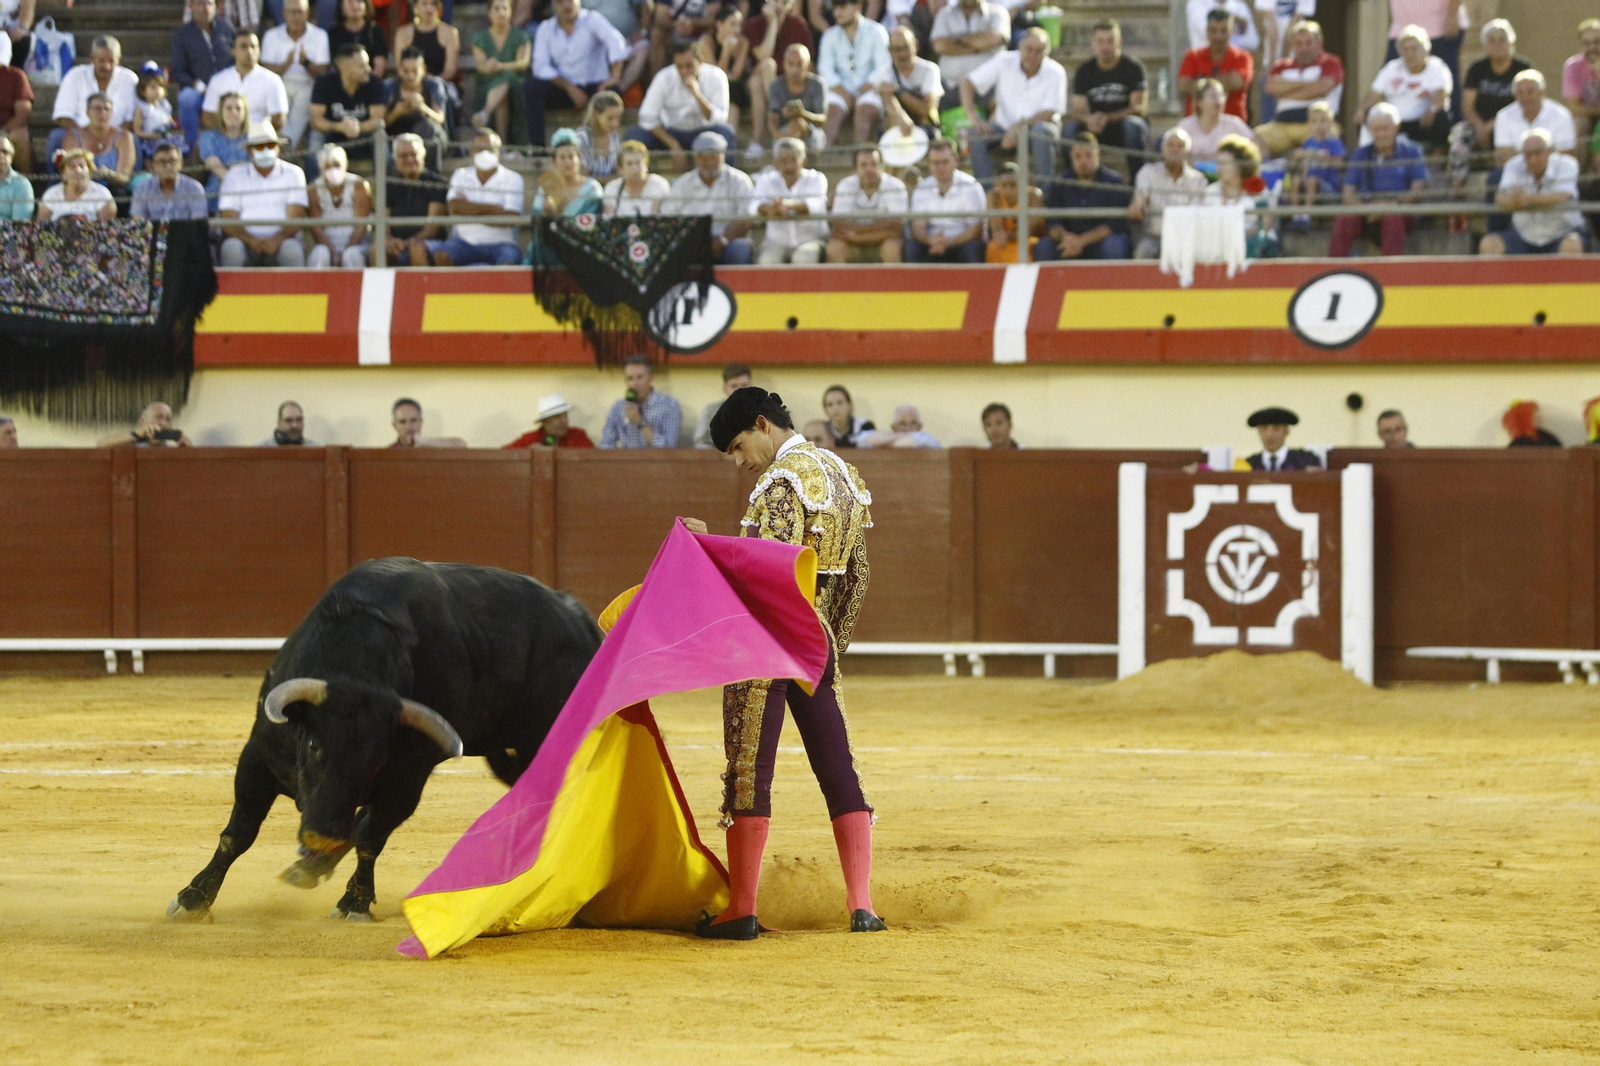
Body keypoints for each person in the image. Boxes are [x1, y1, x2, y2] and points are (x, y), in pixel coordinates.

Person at [682, 386, 883, 940]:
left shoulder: (781, 482)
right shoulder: (844, 476)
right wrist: (828, 647)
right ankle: (861, 906)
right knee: (839, 767)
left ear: (762, 425)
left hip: (763, 644)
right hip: (812, 641)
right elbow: (858, 578)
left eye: (740, 447)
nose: (741, 463)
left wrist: (706, 549)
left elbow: (762, 573)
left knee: (750, 772)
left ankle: (742, 908)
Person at [960, 27, 1063, 181]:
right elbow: (967, 83)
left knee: (1041, 132)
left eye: (1039, 51)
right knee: (975, 135)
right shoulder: (1004, 61)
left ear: (1046, 52)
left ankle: (1046, 196)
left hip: (1038, 129)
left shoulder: (1056, 71)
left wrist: (1019, 127)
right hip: (1003, 128)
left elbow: (1049, 113)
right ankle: (987, 195)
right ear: (1019, 47)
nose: (1032, 55)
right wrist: (975, 119)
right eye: (1028, 49)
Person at [1330, 103, 1426, 258]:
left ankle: (1390, 273)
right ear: (1369, 131)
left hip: (1399, 210)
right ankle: (1333, 270)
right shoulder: (1361, 153)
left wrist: (1389, 206)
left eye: (1385, 128)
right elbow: (1348, 193)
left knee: (1392, 219)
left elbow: (1418, 189)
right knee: (1344, 219)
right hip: (1366, 211)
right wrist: (1367, 209)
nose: (1380, 134)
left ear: (1396, 127)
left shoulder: (1412, 151)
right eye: (1376, 129)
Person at [527, 0, 626, 147]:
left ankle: (608, 145)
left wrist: (614, 76)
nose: (566, 5)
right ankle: (537, 147)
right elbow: (540, 66)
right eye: (561, 2)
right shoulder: (545, 28)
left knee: (612, 92)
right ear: (553, 4)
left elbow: (615, 41)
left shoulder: (593, 19)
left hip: (595, 88)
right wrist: (569, 87)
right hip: (564, 89)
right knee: (531, 86)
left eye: (570, 1)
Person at [1479, 129, 1586, 257]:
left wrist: (1527, 200)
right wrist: (1517, 200)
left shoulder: (1567, 164)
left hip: (1561, 233)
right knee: (1489, 244)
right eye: (1528, 154)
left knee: (1572, 245)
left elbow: (1564, 196)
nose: (1533, 159)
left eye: (1538, 153)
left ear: (1550, 151)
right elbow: (1500, 198)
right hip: (1525, 236)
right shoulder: (1514, 165)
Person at [218, 120, 309, 267]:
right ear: (250, 151)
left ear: (278, 148)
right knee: (231, 248)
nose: (266, 151)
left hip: (283, 241)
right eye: (260, 147)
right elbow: (228, 219)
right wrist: (251, 240)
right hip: (244, 242)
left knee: (292, 250)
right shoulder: (234, 175)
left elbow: (296, 217)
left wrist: (277, 240)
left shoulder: (294, 173)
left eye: (271, 146)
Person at [628, 39, 735, 157]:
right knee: (634, 134)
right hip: (672, 132)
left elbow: (719, 119)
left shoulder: (716, 76)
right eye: (679, 66)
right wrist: (673, 144)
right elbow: (647, 117)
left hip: (704, 132)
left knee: (725, 133)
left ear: (700, 61)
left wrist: (697, 94)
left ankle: (724, 174)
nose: (684, 71)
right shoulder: (664, 78)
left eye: (689, 66)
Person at [1254, 19, 1343, 158]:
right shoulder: (1281, 65)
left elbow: (1321, 88)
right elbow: (1270, 87)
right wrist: (1306, 83)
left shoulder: (1330, 62)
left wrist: (1285, 91)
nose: (1303, 48)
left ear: (1320, 43)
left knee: (1323, 142)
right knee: (1254, 140)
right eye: (1298, 44)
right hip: (1282, 125)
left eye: (1308, 43)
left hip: (1317, 126)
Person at [1036, 131, 1131, 261]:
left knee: (1115, 245)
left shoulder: (1114, 182)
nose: (1083, 161)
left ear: (1098, 155)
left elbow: (1115, 224)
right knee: (1044, 247)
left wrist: (1081, 241)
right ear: (1071, 157)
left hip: (1100, 242)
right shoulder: (1059, 182)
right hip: (1067, 242)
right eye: (1078, 156)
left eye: (1088, 155)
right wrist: (1065, 238)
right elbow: (1053, 223)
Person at [664, 130, 755, 264]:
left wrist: (722, 240)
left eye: (713, 156)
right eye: (702, 156)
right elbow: (670, 218)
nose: (708, 161)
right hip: (694, 242)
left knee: (739, 250)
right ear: (695, 158)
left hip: (730, 241)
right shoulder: (683, 184)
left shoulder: (739, 180)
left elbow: (746, 218)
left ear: (723, 155)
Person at [1357, 23, 1451, 151]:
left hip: (1423, 122)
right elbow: (1374, 94)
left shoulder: (1436, 67)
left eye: (1414, 49)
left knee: (1441, 117)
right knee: (1367, 116)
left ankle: (1437, 160)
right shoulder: (1391, 68)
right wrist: (1362, 110)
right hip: (1395, 123)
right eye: (1405, 50)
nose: (1409, 53)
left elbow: (1442, 93)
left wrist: (1432, 109)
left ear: (1426, 49)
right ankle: (1368, 157)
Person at [50, 37, 139, 171]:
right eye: (101, 60)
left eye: (111, 61)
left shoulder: (129, 79)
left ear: (118, 60)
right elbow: (63, 117)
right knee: (56, 137)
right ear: (92, 58)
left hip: (116, 139)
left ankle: (131, 186)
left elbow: (131, 119)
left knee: (132, 139)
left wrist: (110, 137)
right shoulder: (74, 76)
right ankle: (57, 186)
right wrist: (86, 135)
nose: (106, 66)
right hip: (79, 136)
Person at [438, 128, 524, 266]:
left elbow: (509, 218)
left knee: (508, 263)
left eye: (489, 149)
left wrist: (469, 209)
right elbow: (454, 207)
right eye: (479, 149)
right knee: (441, 256)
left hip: (501, 244)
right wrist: (494, 209)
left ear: (499, 151)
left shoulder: (513, 178)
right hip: (463, 243)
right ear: (471, 151)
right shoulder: (460, 175)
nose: (484, 153)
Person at [1066, 18, 1148, 156]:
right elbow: (1078, 109)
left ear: (1119, 41)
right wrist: (1090, 120)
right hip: (1093, 129)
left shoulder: (1133, 68)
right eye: (1100, 41)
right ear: (1093, 43)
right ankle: (1070, 177)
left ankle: (1136, 176)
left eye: (1110, 41)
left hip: (1122, 127)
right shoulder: (1084, 71)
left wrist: (1108, 117)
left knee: (1134, 125)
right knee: (1070, 129)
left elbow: (1139, 108)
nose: (1105, 46)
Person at [743, 0, 813, 158]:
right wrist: (773, 22)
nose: (780, 4)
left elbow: (808, 63)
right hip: (763, 77)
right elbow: (763, 55)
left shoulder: (798, 24)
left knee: (757, 83)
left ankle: (758, 141)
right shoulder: (754, 24)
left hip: (790, 82)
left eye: (785, 1)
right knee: (767, 66)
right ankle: (781, 118)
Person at [818, 0, 889, 147]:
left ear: (858, 7)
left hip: (871, 88)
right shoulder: (829, 35)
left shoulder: (876, 31)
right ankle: (828, 159)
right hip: (839, 89)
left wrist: (863, 90)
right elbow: (825, 69)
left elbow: (884, 67)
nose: (837, 13)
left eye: (842, 7)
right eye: (835, 8)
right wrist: (844, 93)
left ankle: (860, 156)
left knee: (864, 113)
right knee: (830, 115)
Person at [261, 0, 331, 150]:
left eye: (300, 12)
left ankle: (285, 143)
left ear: (308, 13)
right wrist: (285, 64)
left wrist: (306, 63)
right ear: (284, 14)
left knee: (306, 98)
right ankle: (287, 143)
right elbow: (265, 71)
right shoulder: (271, 35)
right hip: (280, 83)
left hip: (308, 84)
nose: (296, 16)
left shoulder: (320, 35)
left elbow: (323, 72)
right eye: (292, 12)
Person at [1128, 127, 1207, 259]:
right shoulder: (1148, 172)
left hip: (1184, 238)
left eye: (1180, 146)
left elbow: (1195, 213)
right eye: (1170, 145)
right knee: (1143, 251)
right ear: (1162, 148)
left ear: (1187, 152)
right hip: (1154, 237)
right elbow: (1141, 196)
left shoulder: (1198, 180)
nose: (1174, 149)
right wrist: (1138, 204)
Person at [529, 127, 603, 262]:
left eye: (571, 157)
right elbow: (538, 225)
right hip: (553, 244)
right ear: (554, 161)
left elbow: (593, 224)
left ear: (579, 160)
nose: (567, 162)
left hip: (582, 245)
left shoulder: (592, 188)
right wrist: (547, 212)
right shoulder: (546, 187)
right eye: (562, 157)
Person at [905, 136, 984, 263]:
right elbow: (917, 227)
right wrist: (931, 240)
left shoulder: (971, 187)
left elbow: (976, 230)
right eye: (935, 163)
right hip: (931, 242)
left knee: (972, 249)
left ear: (956, 161)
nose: (940, 167)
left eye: (945, 162)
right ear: (929, 164)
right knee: (912, 248)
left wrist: (949, 242)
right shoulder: (921, 189)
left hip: (961, 243)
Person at [171, 0, 236, 154]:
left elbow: (236, 59)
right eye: (200, 3)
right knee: (186, 98)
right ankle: (193, 147)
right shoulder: (182, 34)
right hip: (199, 90)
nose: (205, 8)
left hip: (228, 88)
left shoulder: (226, 28)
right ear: (191, 6)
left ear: (216, 7)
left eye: (209, 3)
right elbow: (177, 70)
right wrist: (201, 87)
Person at [752, 136, 828, 264]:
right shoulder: (766, 179)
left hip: (811, 239)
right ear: (775, 163)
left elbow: (817, 205)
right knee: (767, 261)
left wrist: (789, 206)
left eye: (794, 160)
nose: (789, 167)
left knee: (803, 258)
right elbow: (753, 207)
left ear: (804, 161)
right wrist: (770, 208)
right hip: (776, 242)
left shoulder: (817, 178)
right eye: (783, 161)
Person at [827, 143, 906, 263]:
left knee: (892, 247)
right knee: (835, 248)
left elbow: (896, 228)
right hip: (853, 244)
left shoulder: (895, 186)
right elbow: (839, 226)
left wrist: (857, 236)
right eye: (864, 165)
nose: (869, 169)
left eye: (874, 164)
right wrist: (882, 228)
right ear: (855, 169)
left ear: (882, 166)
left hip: (882, 243)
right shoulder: (845, 185)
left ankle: (893, 282)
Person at [1384, 0, 1462, 121]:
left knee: (1448, 90)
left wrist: (1452, 14)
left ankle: (1455, 131)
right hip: (1401, 28)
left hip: (1440, 28)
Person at [1460, 19, 1529, 154]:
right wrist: (1479, 126)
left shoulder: (1523, 69)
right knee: (1460, 134)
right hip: (1479, 123)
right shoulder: (1477, 68)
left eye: (1502, 40)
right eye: (1492, 41)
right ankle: (1458, 175)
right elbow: (1467, 105)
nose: (1498, 45)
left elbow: (1527, 103)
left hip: (1513, 122)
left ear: (1511, 42)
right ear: (1485, 45)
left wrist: (1494, 124)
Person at [202, 31, 289, 138]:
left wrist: (256, 134)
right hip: (226, 138)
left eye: (253, 46)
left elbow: (279, 120)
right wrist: (230, 135)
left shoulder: (273, 80)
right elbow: (209, 117)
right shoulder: (218, 80)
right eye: (244, 46)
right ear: (233, 51)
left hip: (259, 140)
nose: (249, 51)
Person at [310, 43, 386, 164]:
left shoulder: (374, 83)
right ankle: (314, 182)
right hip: (332, 135)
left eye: (368, 64)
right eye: (362, 66)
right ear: (345, 68)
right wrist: (339, 127)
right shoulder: (324, 82)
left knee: (381, 140)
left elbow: (378, 121)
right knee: (315, 138)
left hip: (364, 136)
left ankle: (385, 183)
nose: (369, 69)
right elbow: (316, 121)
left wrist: (358, 127)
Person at [1205, 133, 1277, 258]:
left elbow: (1266, 223)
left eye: (1225, 163)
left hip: (1253, 246)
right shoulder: (1211, 191)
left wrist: (1239, 236)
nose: (1219, 168)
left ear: (1240, 166)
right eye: (1218, 163)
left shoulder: (1257, 189)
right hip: (1218, 247)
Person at [1177, 8, 1253, 123]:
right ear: (1207, 30)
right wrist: (1224, 81)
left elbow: (1236, 82)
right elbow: (1183, 86)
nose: (1218, 36)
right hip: (1196, 127)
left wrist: (1200, 82)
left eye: (1224, 31)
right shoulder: (1192, 56)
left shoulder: (1243, 57)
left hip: (1232, 128)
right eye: (1214, 31)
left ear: (1232, 31)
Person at [471, 0, 531, 142]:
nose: (501, 12)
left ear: (510, 12)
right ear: (489, 13)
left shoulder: (521, 36)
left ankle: (485, 112)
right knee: (501, 91)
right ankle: (502, 143)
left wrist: (499, 66)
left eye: (504, 8)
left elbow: (523, 63)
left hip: (516, 85)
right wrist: (488, 66)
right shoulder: (479, 38)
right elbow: (480, 65)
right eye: (496, 9)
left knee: (507, 80)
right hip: (488, 84)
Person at [384, 131, 447, 264]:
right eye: (403, 156)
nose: (409, 159)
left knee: (416, 248)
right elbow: (384, 224)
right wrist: (389, 240)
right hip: (397, 244)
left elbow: (431, 229)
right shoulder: (390, 185)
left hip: (427, 243)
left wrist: (406, 244)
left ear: (423, 156)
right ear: (395, 160)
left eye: (414, 154)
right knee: (377, 249)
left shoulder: (436, 183)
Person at [306, 142, 372, 267]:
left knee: (351, 255)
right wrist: (333, 252)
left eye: (336, 165)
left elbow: (361, 226)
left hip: (357, 244)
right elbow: (317, 228)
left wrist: (346, 250)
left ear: (344, 165)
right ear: (321, 168)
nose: (333, 170)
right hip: (327, 244)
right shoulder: (314, 189)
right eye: (328, 166)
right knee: (320, 254)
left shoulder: (359, 185)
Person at [384, 46, 450, 168]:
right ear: (399, 70)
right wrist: (396, 112)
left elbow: (440, 118)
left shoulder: (433, 85)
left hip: (430, 137)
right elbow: (381, 123)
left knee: (428, 128)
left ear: (423, 69)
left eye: (415, 71)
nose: (410, 76)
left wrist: (423, 108)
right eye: (406, 71)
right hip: (398, 137)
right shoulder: (390, 87)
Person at [1493, 71, 1576, 167]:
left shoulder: (1562, 115)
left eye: (1530, 92)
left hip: (1554, 172)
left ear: (1541, 92)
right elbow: (1503, 156)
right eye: (1520, 93)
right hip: (1516, 172)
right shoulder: (1503, 116)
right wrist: (1536, 161)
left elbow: (1565, 154)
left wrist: (1533, 163)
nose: (1525, 98)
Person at [1176, 77, 1259, 170]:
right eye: (1213, 96)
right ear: (1200, 102)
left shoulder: (1234, 123)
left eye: (1221, 95)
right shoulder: (1185, 126)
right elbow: (1175, 154)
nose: (1218, 101)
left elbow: (1256, 147)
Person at [61, 93, 134, 199]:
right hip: (81, 189)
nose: (102, 113)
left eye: (107, 109)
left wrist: (108, 174)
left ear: (112, 113)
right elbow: (68, 172)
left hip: (113, 188)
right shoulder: (72, 136)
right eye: (97, 109)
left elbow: (124, 177)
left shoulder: (124, 136)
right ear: (87, 112)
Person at [929, 0, 1008, 97]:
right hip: (950, 87)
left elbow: (994, 39)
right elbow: (939, 46)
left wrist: (956, 40)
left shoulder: (998, 12)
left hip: (990, 88)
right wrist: (977, 47)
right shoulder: (944, 13)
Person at [1283, 101, 1342, 228]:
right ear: (1309, 124)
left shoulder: (1334, 142)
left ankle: (1307, 215)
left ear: (1331, 123)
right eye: (1314, 121)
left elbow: (1340, 163)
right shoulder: (1308, 142)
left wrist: (1324, 158)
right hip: (1308, 179)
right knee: (1296, 180)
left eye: (1323, 121)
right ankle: (1295, 214)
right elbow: (1302, 162)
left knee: (1312, 180)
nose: (1318, 125)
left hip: (1328, 185)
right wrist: (1298, 156)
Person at [601, 355, 682, 448]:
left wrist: (640, 422)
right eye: (630, 378)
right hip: (626, 460)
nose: (635, 383)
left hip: (657, 461)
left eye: (639, 377)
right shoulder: (618, 406)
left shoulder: (669, 405)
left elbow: (669, 448)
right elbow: (606, 444)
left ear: (650, 379)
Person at [876, 25, 940, 141]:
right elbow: (885, 98)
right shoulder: (883, 73)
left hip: (925, 128)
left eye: (906, 47)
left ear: (915, 45)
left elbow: (925, 109)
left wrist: (898, 91)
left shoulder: (930, 70)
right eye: (897, 49)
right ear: (889, 50)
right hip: (896, 128)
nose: (902, 54)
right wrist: (901, 117)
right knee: (887, 97)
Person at [695, 4, 749, 138]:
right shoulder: (706, 42)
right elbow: (713, 76)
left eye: (739, 25)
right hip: (709, 89)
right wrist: (725, 52)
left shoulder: (743, 42)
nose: (737, 30)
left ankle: (730, 136)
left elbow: (736, 75)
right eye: (733, 25)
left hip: (736, 88)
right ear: (719, 24)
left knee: (734, 89)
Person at [767, 42, 826, 150]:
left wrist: (802, 114)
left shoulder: (818, 84)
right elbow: (772, 118)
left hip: (812, 133)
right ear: (784, 64)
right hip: (784, 131)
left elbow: (822, 119)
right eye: (791, 64)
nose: (795, 69)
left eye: (799, 64)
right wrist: (779, 137)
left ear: (808, 66)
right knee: (793, 126)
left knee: (798, 124)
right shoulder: (776, 85)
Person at [391, 0, 459, 93]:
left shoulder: (450, 33)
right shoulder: (402, 33)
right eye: (424, 4)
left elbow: (450, 70)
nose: (429, 9)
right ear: (415, 7)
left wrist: (431, 82)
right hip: (409, 83)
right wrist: (415, 82)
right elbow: (400, 67)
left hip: (440, 84)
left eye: (433, 4)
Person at [131, 141, 208, 219]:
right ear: (154, 165)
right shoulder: (142, 188)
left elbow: (198, 221)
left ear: (181, 164)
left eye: (172, 161)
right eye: (162, 162)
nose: (168, 166)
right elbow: (138, 220)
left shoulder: (194, 188)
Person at [198, 91, 250, 207]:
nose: (234, 112)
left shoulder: (252, 138)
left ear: (245, 113)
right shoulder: (209, 137)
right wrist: (234, 181)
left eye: (238, 108)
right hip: (215, 198)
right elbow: (213, 164)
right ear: (221, 112)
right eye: (228, 108)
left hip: (248, 198)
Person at [36, 148, 116, 220]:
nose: (78, 170)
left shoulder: (102, 194)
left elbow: (106, 229)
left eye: (81, 166)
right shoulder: (51, 194)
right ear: (63, 172)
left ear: (89, 170)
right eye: (72, 166)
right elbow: (42, 226)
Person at [984, 162, 1041, 263]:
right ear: (997, 185)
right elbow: (997, 230)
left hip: (1028, 240)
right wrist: (1002, 236)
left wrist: (1008, 236)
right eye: (1004, 186)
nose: (1008, 191)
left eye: (1013, 185)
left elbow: (1028, 231)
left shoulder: (1034, 196)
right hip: (1006, 241)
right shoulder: (993, 197)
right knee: (993, 247)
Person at [1563, 19, 1600, 168]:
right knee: (1580, 122)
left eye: (1597, 42)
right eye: (1586, 43)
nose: (1592, 47)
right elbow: (1574, 107)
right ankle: (1581, 178)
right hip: (1588, 118)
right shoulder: (1573, 67)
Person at [602, 137, 669, 215]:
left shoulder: (659, 185)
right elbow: (609, 221)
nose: (635, 168)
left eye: (638, 162)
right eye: (629, 164)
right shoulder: (612, 189)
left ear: (646, 164)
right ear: (620, 169)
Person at [692, 363, 752, 447]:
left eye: (744, 385)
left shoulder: (765, 411)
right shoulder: (710, 411)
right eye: (734, 386)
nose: (739, 390)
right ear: (725, 388)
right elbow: (700, 442)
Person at [132, 66, 181, 167]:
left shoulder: (165, 106)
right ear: (143, 91)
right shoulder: (142, 108)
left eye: (160, 87)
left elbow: (169, 121)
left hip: (164, 138)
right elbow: (137, 130)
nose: (157, 90)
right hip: (149, 140)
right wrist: (152, 136)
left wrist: (170, 125)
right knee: (150, 157)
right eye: (153, 87)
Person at [504, 393, 596, 447]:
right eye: (557, 417)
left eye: (565, 416)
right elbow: (503, 456)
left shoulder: (577, 436)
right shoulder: (530, 440)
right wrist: (528, 453)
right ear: (544, 422)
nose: (564, 421)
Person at [1243, 406, 1319, 470]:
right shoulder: (1248, 465)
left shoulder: (1305, 460)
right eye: (1264, 428)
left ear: (1287, 431)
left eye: (1276, 428)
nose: (1270, 435)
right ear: (1259, 431)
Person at [329, 0, 391, 80]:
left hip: (370, 84)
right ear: (341, 6)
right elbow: (336, 65)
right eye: (350, 2)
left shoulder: (375, 31)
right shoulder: (334, 33)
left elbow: (379, 66)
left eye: (359, 1)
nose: (355, 6)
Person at [574, 89, 624, 180]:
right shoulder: (582, 137)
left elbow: (618, 170)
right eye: (610, 118)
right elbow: (582, 176)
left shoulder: (614, 137)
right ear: (597, 114)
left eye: (618, 118)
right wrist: (612, 179)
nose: (615, 124)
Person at [97, 402, 194, 447]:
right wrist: (138, 434)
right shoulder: (133, 445)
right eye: (158, 417)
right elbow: (101, 445)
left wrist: (187, 450)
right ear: (142, 420)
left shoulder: (173, 449)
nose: (163, 423)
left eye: (168, 419)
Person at [0, 46, 31, 178]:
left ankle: (25, 184)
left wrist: (3, 131)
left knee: (20, 134)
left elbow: (23, 114)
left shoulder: (16, 75)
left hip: (9, 130)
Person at [389, 397, 467, 447]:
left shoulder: (431, 446)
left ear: (421, 422)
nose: (408, 426)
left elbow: (461, 445)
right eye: (402, 422)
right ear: (394, 425)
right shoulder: (387, 453)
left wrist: (425, 441)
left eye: (413, 421)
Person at [860, 405, 939, 447]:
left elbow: (915, 442)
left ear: (920, 427)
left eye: (913, 423)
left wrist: (883, 443)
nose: (908, 428)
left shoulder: (928, 438)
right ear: (893, 427)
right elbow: (863, 439)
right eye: (902, 424)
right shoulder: (890, 437)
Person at [0, 131, 33, 220]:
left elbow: (19, 226)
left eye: (5, 152)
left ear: (12, 157)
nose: (0, 156)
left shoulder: (22, 185)